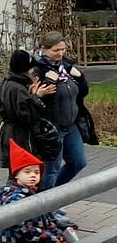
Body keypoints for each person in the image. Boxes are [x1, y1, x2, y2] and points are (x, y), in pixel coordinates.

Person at [33, 32, 94, 188]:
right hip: (52, 128)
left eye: (63, 49)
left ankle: (54, 199)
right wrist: (48, 81)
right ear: (44, 49)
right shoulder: (37, 70)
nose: (60, 53)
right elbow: (37, 100)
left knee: (78, 162)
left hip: (71, 125)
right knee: (51, 169)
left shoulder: (66, 67)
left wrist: (79, 76)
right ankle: (43, 209)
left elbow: (83, 92)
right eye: (56, 50)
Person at [0, 49, 60, 169]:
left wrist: (31, 95)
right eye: (31, 68)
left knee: (17, 170)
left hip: (9, 133)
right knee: (22, 170)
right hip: (20, 136)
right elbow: (27, 115)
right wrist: (37, 97)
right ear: (25, 69)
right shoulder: (18, 88)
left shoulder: (7, 83)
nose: (33, 71)